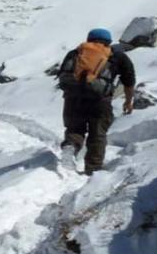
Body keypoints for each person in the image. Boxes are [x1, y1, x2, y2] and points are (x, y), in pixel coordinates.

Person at [57, 28, 136, 175]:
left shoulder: (75, 53)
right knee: (97, 134)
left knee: (74, 129)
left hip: (73, 98)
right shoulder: (116, 56)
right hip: (100, 101)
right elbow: (129, 81)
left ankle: (70, 146)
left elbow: (64, 74)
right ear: (108, 42)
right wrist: (129, 101)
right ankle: (93, 170)